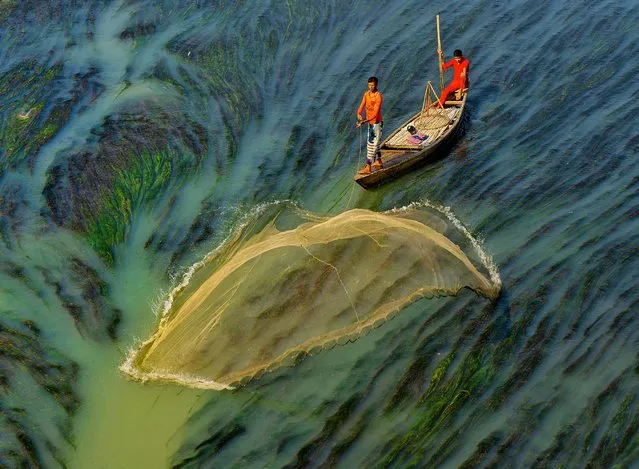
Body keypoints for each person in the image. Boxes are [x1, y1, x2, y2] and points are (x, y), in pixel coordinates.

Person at [356, 76, 384, 174]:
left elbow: (375, 114)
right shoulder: (366, 94)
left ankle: (368, 166)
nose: (371, 87)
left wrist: (363, 121)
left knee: (372, 145)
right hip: (370, 122)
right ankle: (379, 161)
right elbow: (361, 106)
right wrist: (359, 113)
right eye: (369, 85)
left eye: (373, 85)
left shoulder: (378, 96)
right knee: (376, 144)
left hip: (376, 123)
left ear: (376, 85)